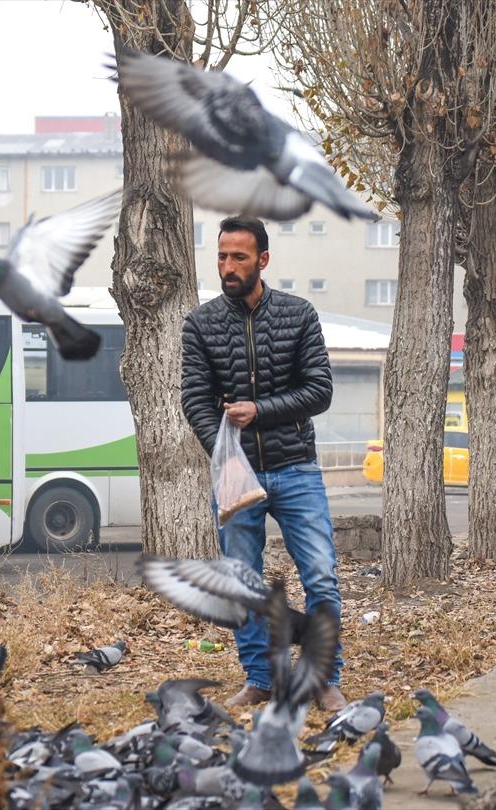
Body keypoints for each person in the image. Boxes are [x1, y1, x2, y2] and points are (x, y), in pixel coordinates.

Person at [180, 216, 344, 711]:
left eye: (239, 257)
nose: (228, 267)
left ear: (263, 260)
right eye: (222, 256)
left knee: (320, 576)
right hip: (237, 476)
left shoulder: (298, 315)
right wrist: (226, 457)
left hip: (296, 467)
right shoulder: (201, 323)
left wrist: (260, 411)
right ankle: (260, 679)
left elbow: (320, 391)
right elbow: (195, 399)